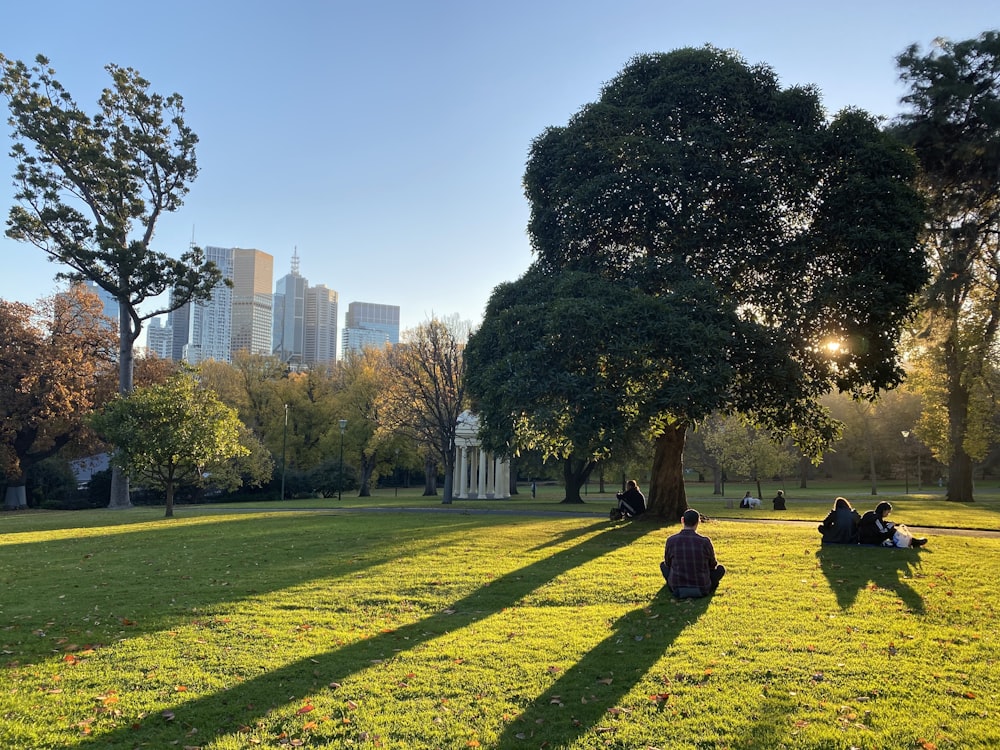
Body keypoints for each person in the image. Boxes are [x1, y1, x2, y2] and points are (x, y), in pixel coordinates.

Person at [660, 508, 726, 598]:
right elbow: (713, 565)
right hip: (702, 587)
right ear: (698, 522)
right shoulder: (705, 541)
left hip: (677, 586)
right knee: (720, 569)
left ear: (682, 520)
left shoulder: (671, 540)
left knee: (663, 566)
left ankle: (679, 585)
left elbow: (668, 563)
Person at [858, 501, 927, 548]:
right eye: (888, 512)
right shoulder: (876, 518)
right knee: (891, 531)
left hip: (864, 538)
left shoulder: (871, 514)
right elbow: (883, 531)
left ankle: (912, 541)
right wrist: (890, 525)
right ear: (884, 511)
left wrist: (888, 524)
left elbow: (879, 525)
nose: (888, 514)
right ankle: (913, 542)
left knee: (891, 529)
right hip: (870, 540)